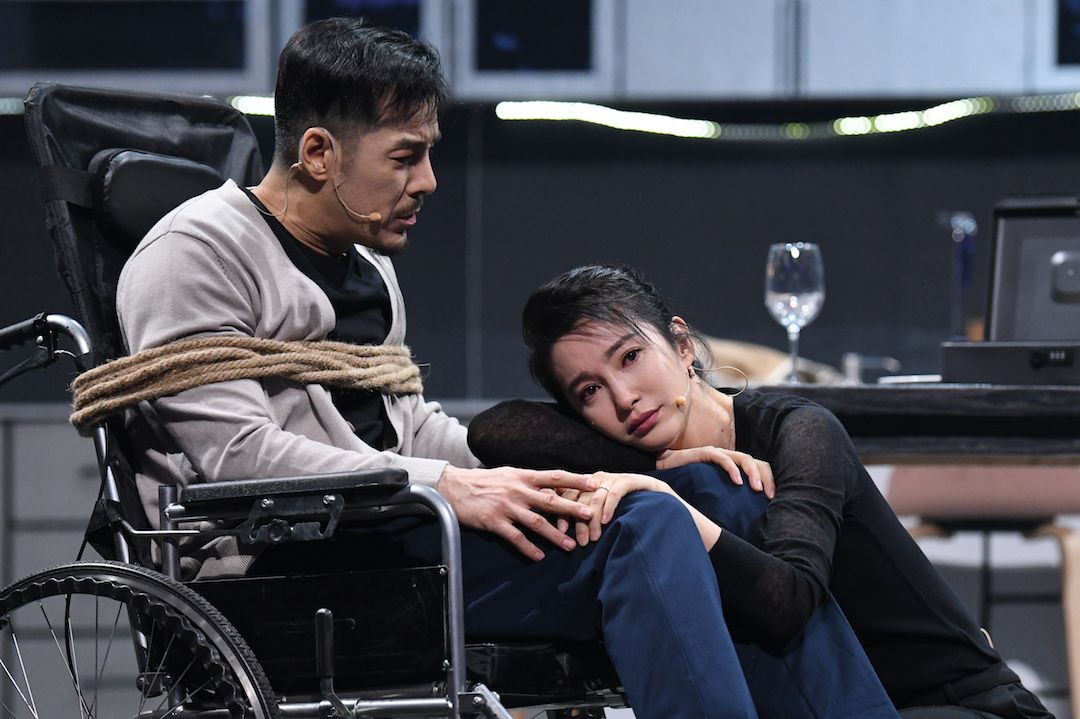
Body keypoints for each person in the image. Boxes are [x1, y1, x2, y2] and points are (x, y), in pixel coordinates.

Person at [115, 18, 901, 718]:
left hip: (399, 534)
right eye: (406, 156)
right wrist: (448, 486)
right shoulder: (196, 254)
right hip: (286, 569)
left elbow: (414, 429)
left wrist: (631, 466)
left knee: (710, 495)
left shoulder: (365, 265)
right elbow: (240, 458)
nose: (428, 180)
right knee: (649, 528)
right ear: (319, 153)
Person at [468, 263, 1055, 719]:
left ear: (682, 344)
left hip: (957, 703)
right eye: (589, 391)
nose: (624, 398)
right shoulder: (648, 459)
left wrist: (669, 504)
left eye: (631, 357)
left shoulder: (799, 430)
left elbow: (787, 599)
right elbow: (494, 430)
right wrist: (659, 466)